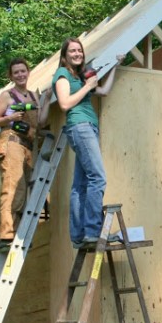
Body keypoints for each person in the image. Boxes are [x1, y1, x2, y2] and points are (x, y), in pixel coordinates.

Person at [52, 37, 124, 249]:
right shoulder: (62, 75)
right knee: (98, 178)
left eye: (79, 51)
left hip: (89, 127)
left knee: (81, 185)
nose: (77, 54)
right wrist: (87, 87)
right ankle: (93, 231)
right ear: (65, 55)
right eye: (72, 51)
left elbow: (103, 91)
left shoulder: (80, 76)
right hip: (79, 126)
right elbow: (64, 104)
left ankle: (79, 235)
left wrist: (114, 68)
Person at [0, 58, 51, 249]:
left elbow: (40, 122)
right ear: (11, 76)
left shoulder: (33, 97)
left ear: (28, 72)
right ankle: (6, 235)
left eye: (23, 71)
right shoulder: (7, 96)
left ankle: (7, 233)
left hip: (27, 147)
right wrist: (10, 117)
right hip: (12, 142)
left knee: (22, 193)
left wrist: (47, 99)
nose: (20, 75)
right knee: (13, 188)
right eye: (16, 72)